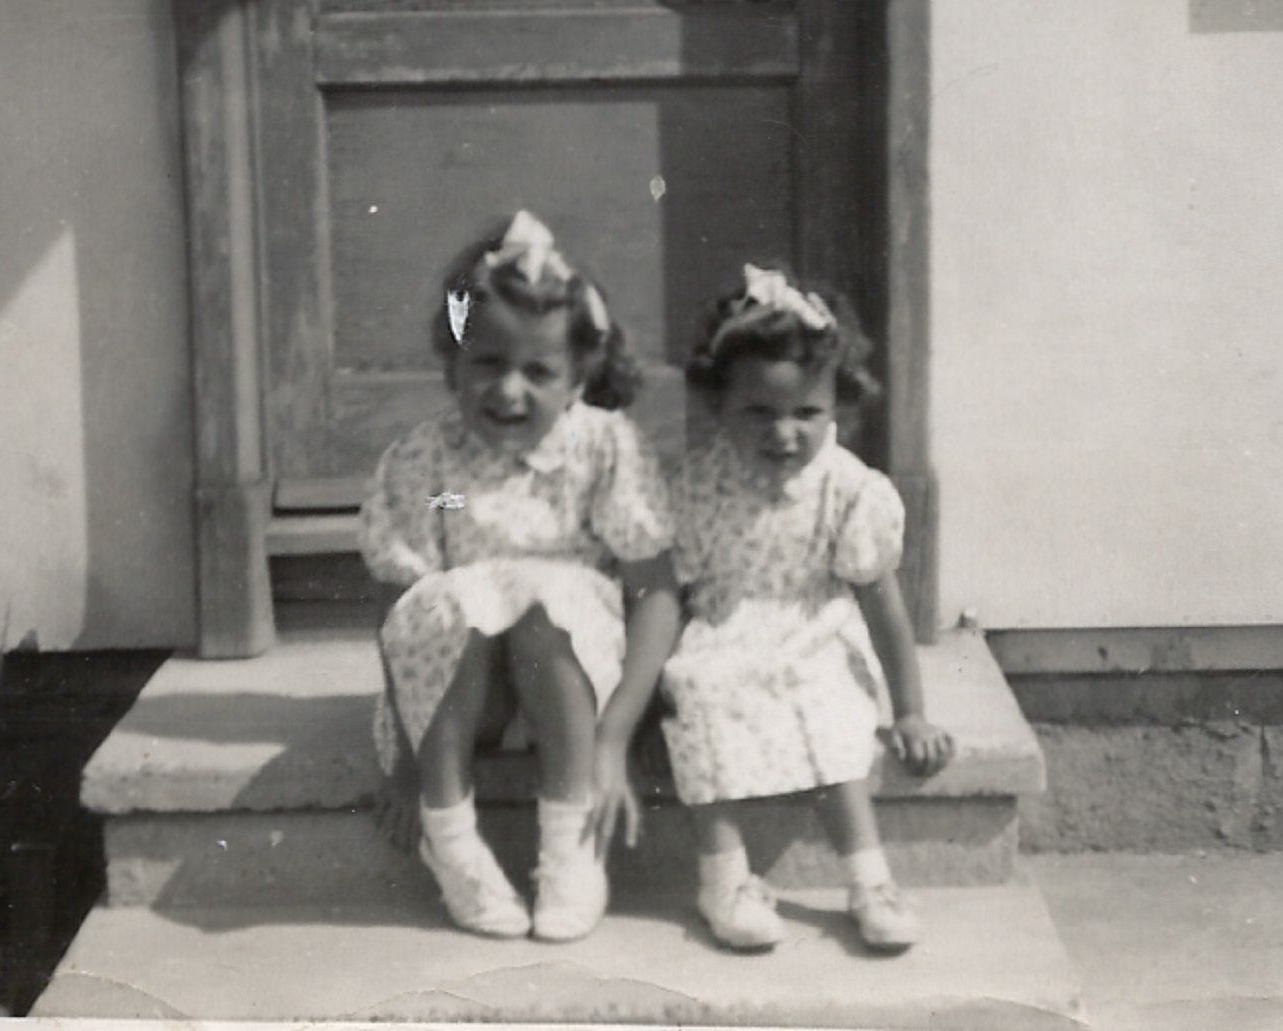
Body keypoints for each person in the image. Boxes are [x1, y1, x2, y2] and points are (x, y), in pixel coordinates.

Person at [358, 211, 681, 942]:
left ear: (577, 378)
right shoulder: (428, 467)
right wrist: (409, 765)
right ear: (451, 363)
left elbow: (654, 592)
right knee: (460, 600)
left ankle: (570, 845)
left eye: (538, 371)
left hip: (572, 685)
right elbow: (401, 617)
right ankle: (451, 836)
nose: (510, 390)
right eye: (487, 364)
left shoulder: (602, 450)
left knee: (546, 604)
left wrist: (615, 739)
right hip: (459, 699)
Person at [661, 265, 956, 953]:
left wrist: (909, 708)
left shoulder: (849, 488)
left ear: (838, 407)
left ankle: (869, 877)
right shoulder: (698, 486)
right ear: (718, 403)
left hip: (812, 625)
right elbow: (670, 599)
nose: (784, 433)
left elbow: (883, 605)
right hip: (723, 626)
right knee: (700, 690)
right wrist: (649, 698)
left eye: (806, 413)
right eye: (758, 412)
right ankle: (725, 875)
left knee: (823, 702)